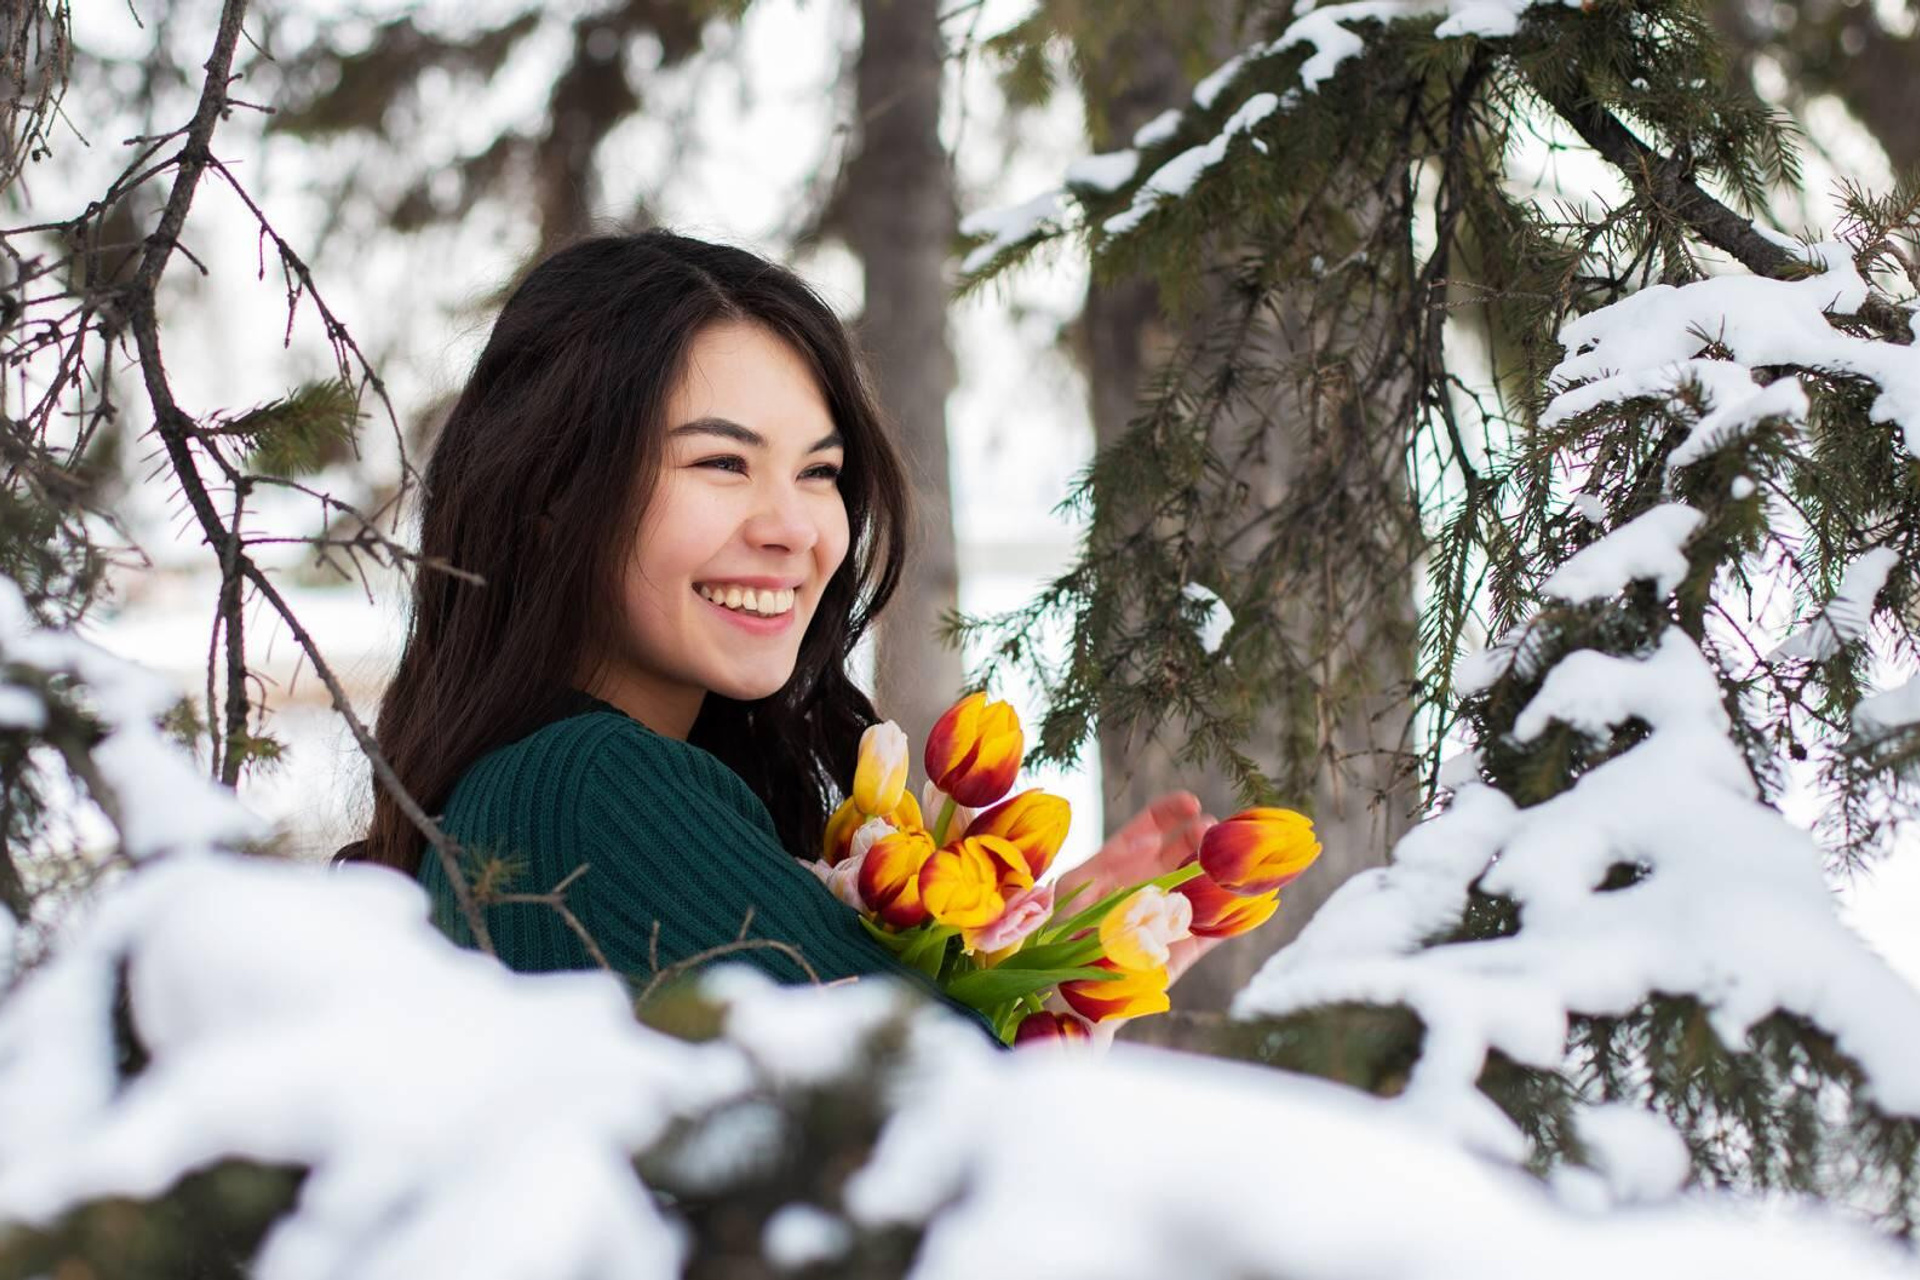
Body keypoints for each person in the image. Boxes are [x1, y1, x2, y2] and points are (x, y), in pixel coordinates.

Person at [335, 230, 1220, 1036]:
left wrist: (1027, 964)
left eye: (819, 471)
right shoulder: (595, 786)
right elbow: (950, 1136)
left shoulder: (529, 790)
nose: (795, 528)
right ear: (552, 494)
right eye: (723, 462)